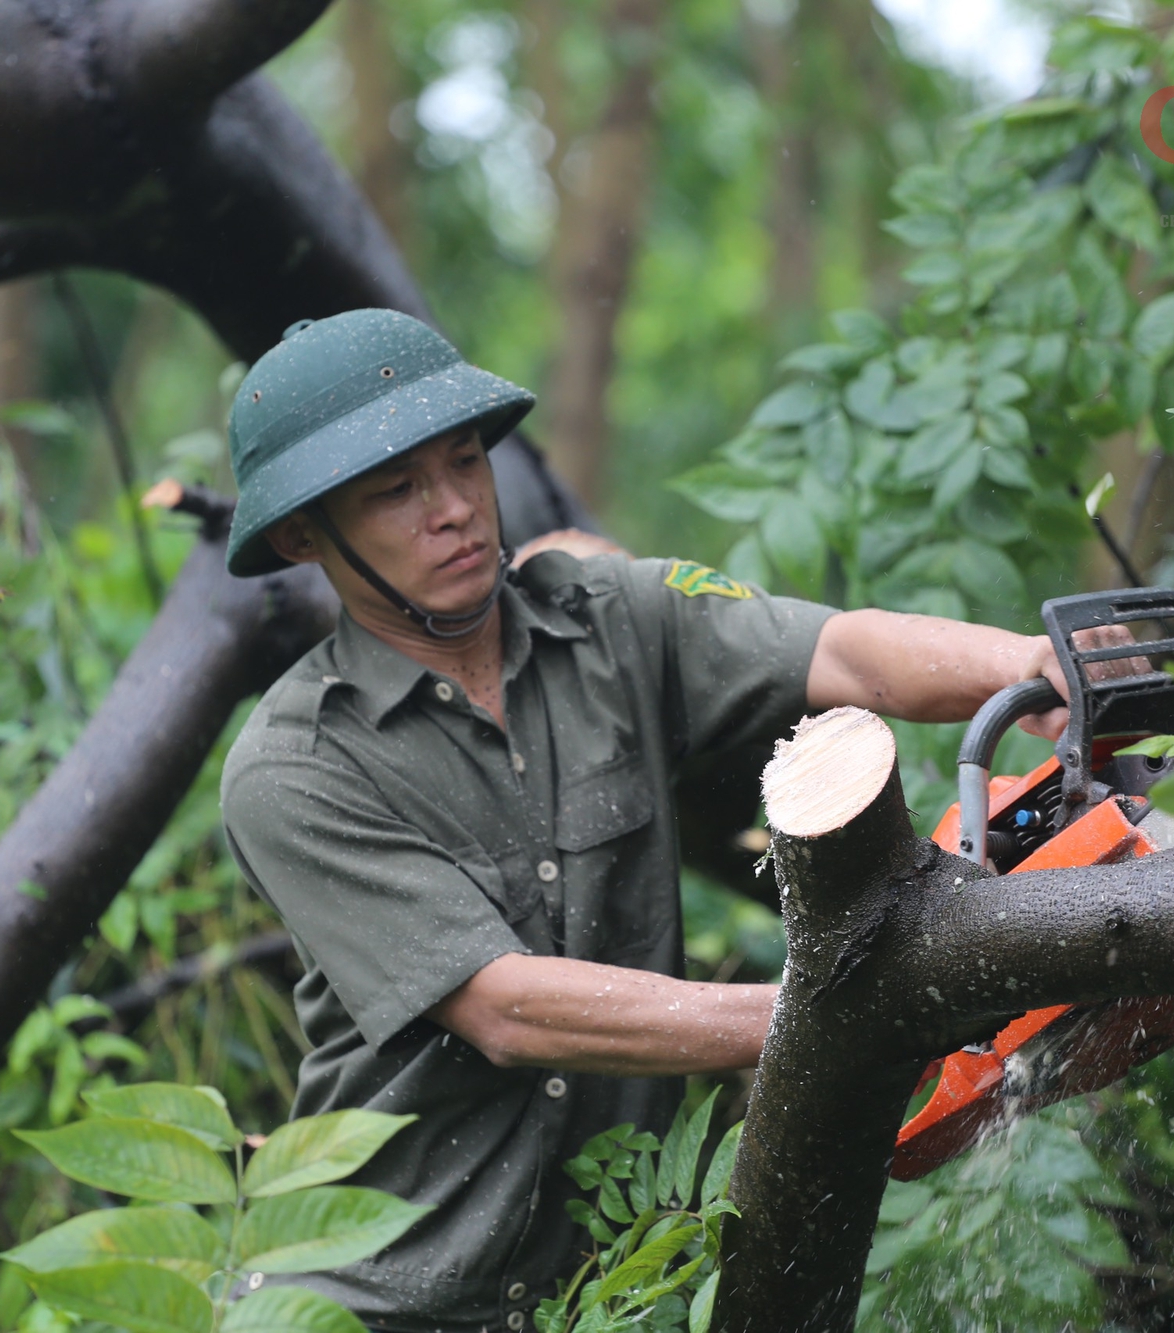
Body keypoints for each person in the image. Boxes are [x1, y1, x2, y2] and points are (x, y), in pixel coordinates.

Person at [218, 310, 1088, 1333]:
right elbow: (508, 1009)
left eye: (464, 462)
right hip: (376, 1299)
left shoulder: (611, 618)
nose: (454, 508)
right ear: (302, 534)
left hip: (609, 1283)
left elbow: (845, 653)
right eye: (396, 491)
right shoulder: (295, 765)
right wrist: (831, 1018)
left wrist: (1028, 666)